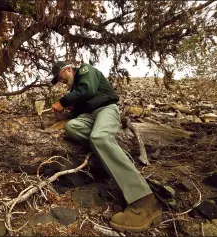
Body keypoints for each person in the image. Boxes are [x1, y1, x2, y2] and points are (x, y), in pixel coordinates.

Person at [50, 61, 162, 233]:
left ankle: (144, 201)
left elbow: (89, 90)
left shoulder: (86, 70)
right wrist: (72, 108)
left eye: (60, 77)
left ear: (68, 69)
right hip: (89, 116)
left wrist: (63, 101)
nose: (61, 82)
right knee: (71, 127)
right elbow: (80, 106)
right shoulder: (75, 90)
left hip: (106, 109)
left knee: (99, 137)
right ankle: (108, 152)